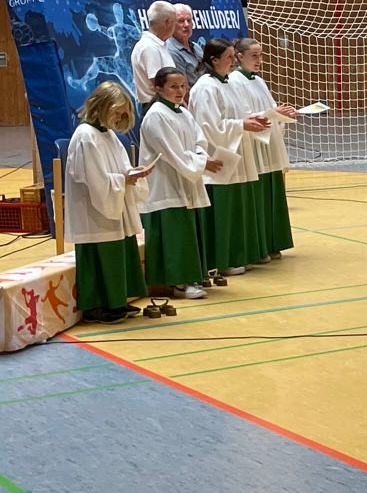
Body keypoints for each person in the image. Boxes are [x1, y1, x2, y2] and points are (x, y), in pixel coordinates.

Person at [65, 81, 152, 324]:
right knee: (99, 254)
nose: (118, 118)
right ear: (100, 106)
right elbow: (95, 179)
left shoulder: (108, 134)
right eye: (115, 112)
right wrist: (123, 179)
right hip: (93, 210)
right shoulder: (85, 136)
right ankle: (96, 305)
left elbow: (121, 166)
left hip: (114, 201)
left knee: (119, 250)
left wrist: (133, 173)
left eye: (122, 113)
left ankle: (117, 300)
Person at [139, 67, 224, 300]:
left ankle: (193, 276)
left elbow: (200, 141)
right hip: (166, 184)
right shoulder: (156, 115)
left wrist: (201, 157)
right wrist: (201, 163)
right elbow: (172, 152)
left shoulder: (183, 112)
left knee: (188, 231)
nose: (180, 91)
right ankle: (178, 283)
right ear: (159, 89)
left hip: (186, 180)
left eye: (183, 86)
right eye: (174, 86)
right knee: (175, 235)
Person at [188, 38, 269, 277]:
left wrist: (253, 119)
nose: (233, 62)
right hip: (219, 156)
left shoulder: (227, 83)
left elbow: (239, 114)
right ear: (214, 60)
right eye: (229, 58)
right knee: (222, 211)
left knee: (238, 208)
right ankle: (221, 260)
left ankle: (237, 254)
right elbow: (208, 127)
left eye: (234, 56)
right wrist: (241, 124)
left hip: (238, 152)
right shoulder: (206, 87)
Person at [230, 38, 296, 260]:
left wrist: (282, 113)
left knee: (271, 194)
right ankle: (257, 246)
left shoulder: (258, 80)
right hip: (254, 145)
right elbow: (245, 115)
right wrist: (273, 113)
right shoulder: (235, 81)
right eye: (254, 56)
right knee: (257, 196)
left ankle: (272, 242)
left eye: (261, 55)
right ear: (239, 56)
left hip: (268, 145)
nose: (259, 60)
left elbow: (269, 108)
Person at [130, 0, 177, 113]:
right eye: (175, 22)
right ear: (167, 22)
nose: (175, 27)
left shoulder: (157, 45)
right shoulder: (149, 47)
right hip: (157, 108)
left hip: (163, 106)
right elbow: (159, 83)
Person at [167, 3, 204, 88]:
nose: (186, 25)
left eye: (189, 20)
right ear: (171, 24)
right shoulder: (170, 51)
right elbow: (183, 88)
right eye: (181, 21)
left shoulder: (196, 47)